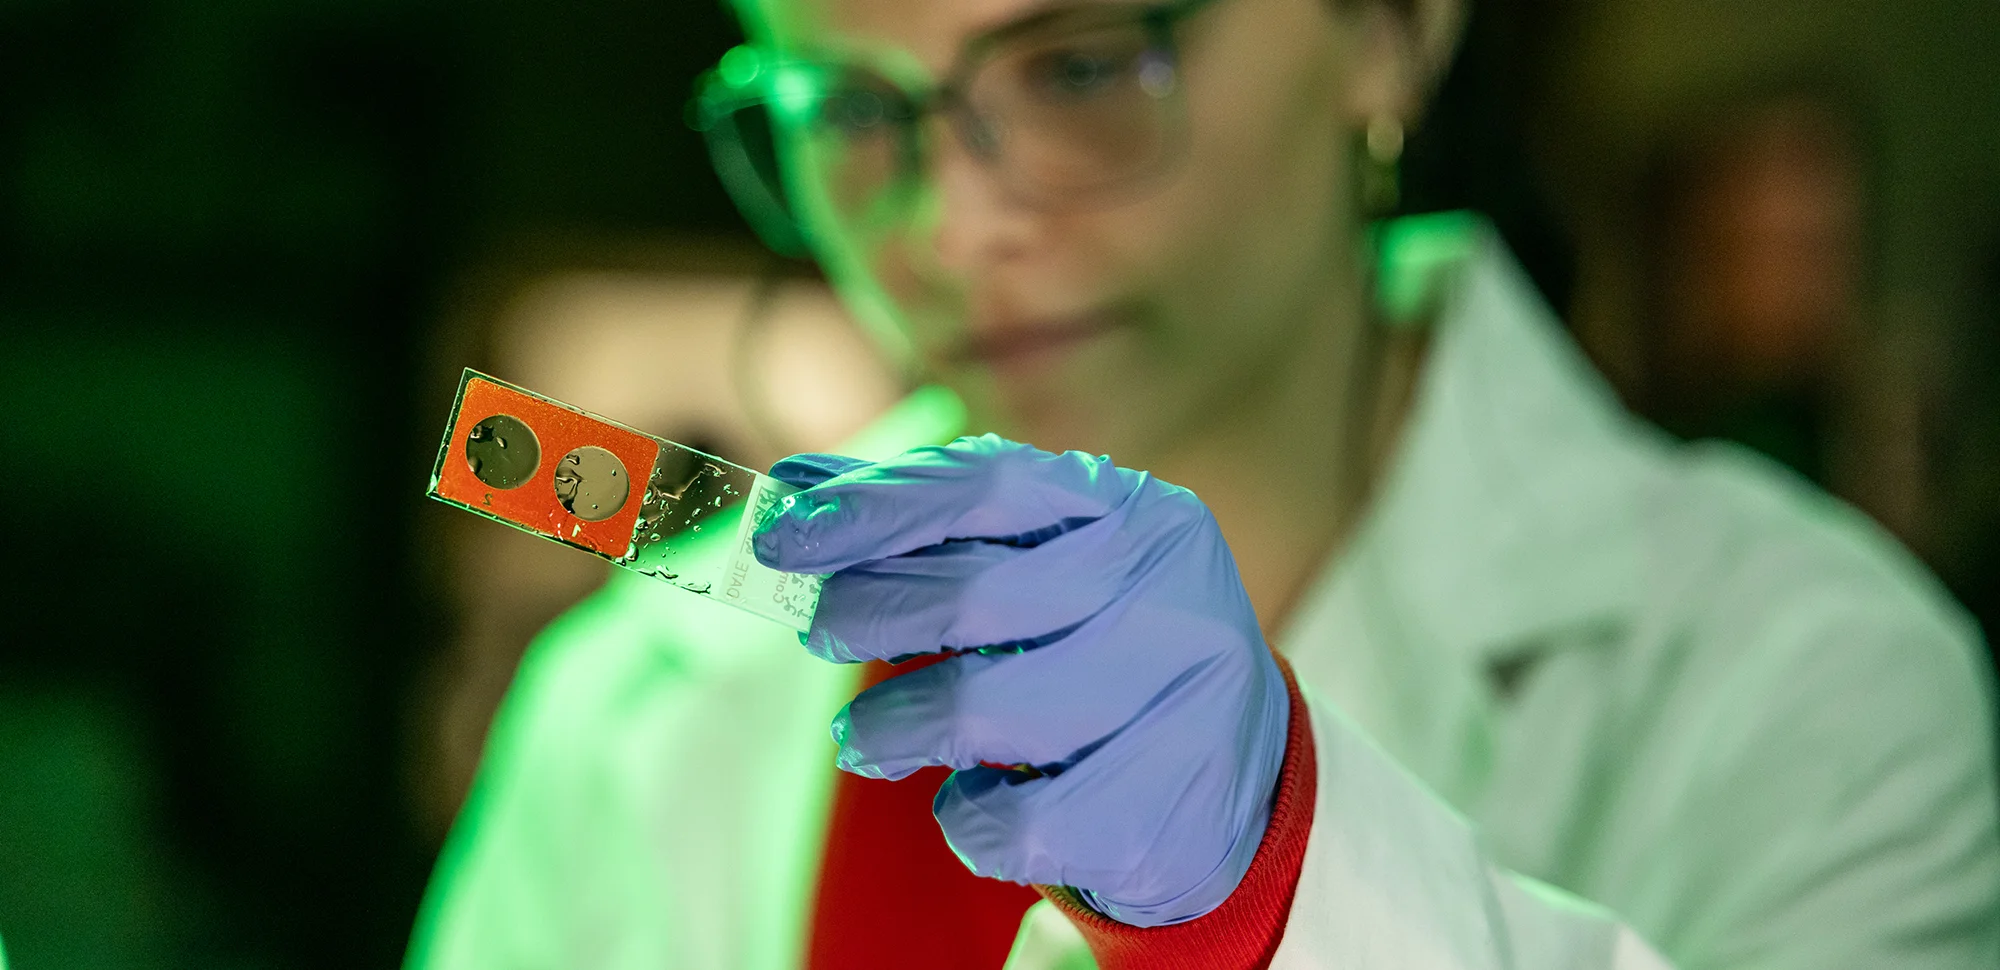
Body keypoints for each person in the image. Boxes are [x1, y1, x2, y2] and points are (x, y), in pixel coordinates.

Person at [404, 0, 2000, 966]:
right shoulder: (627, 712)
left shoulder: (1817, 681)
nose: (954, 231)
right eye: (850, 112)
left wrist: (1278, 889)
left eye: (1085, 68)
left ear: (1390, 29)